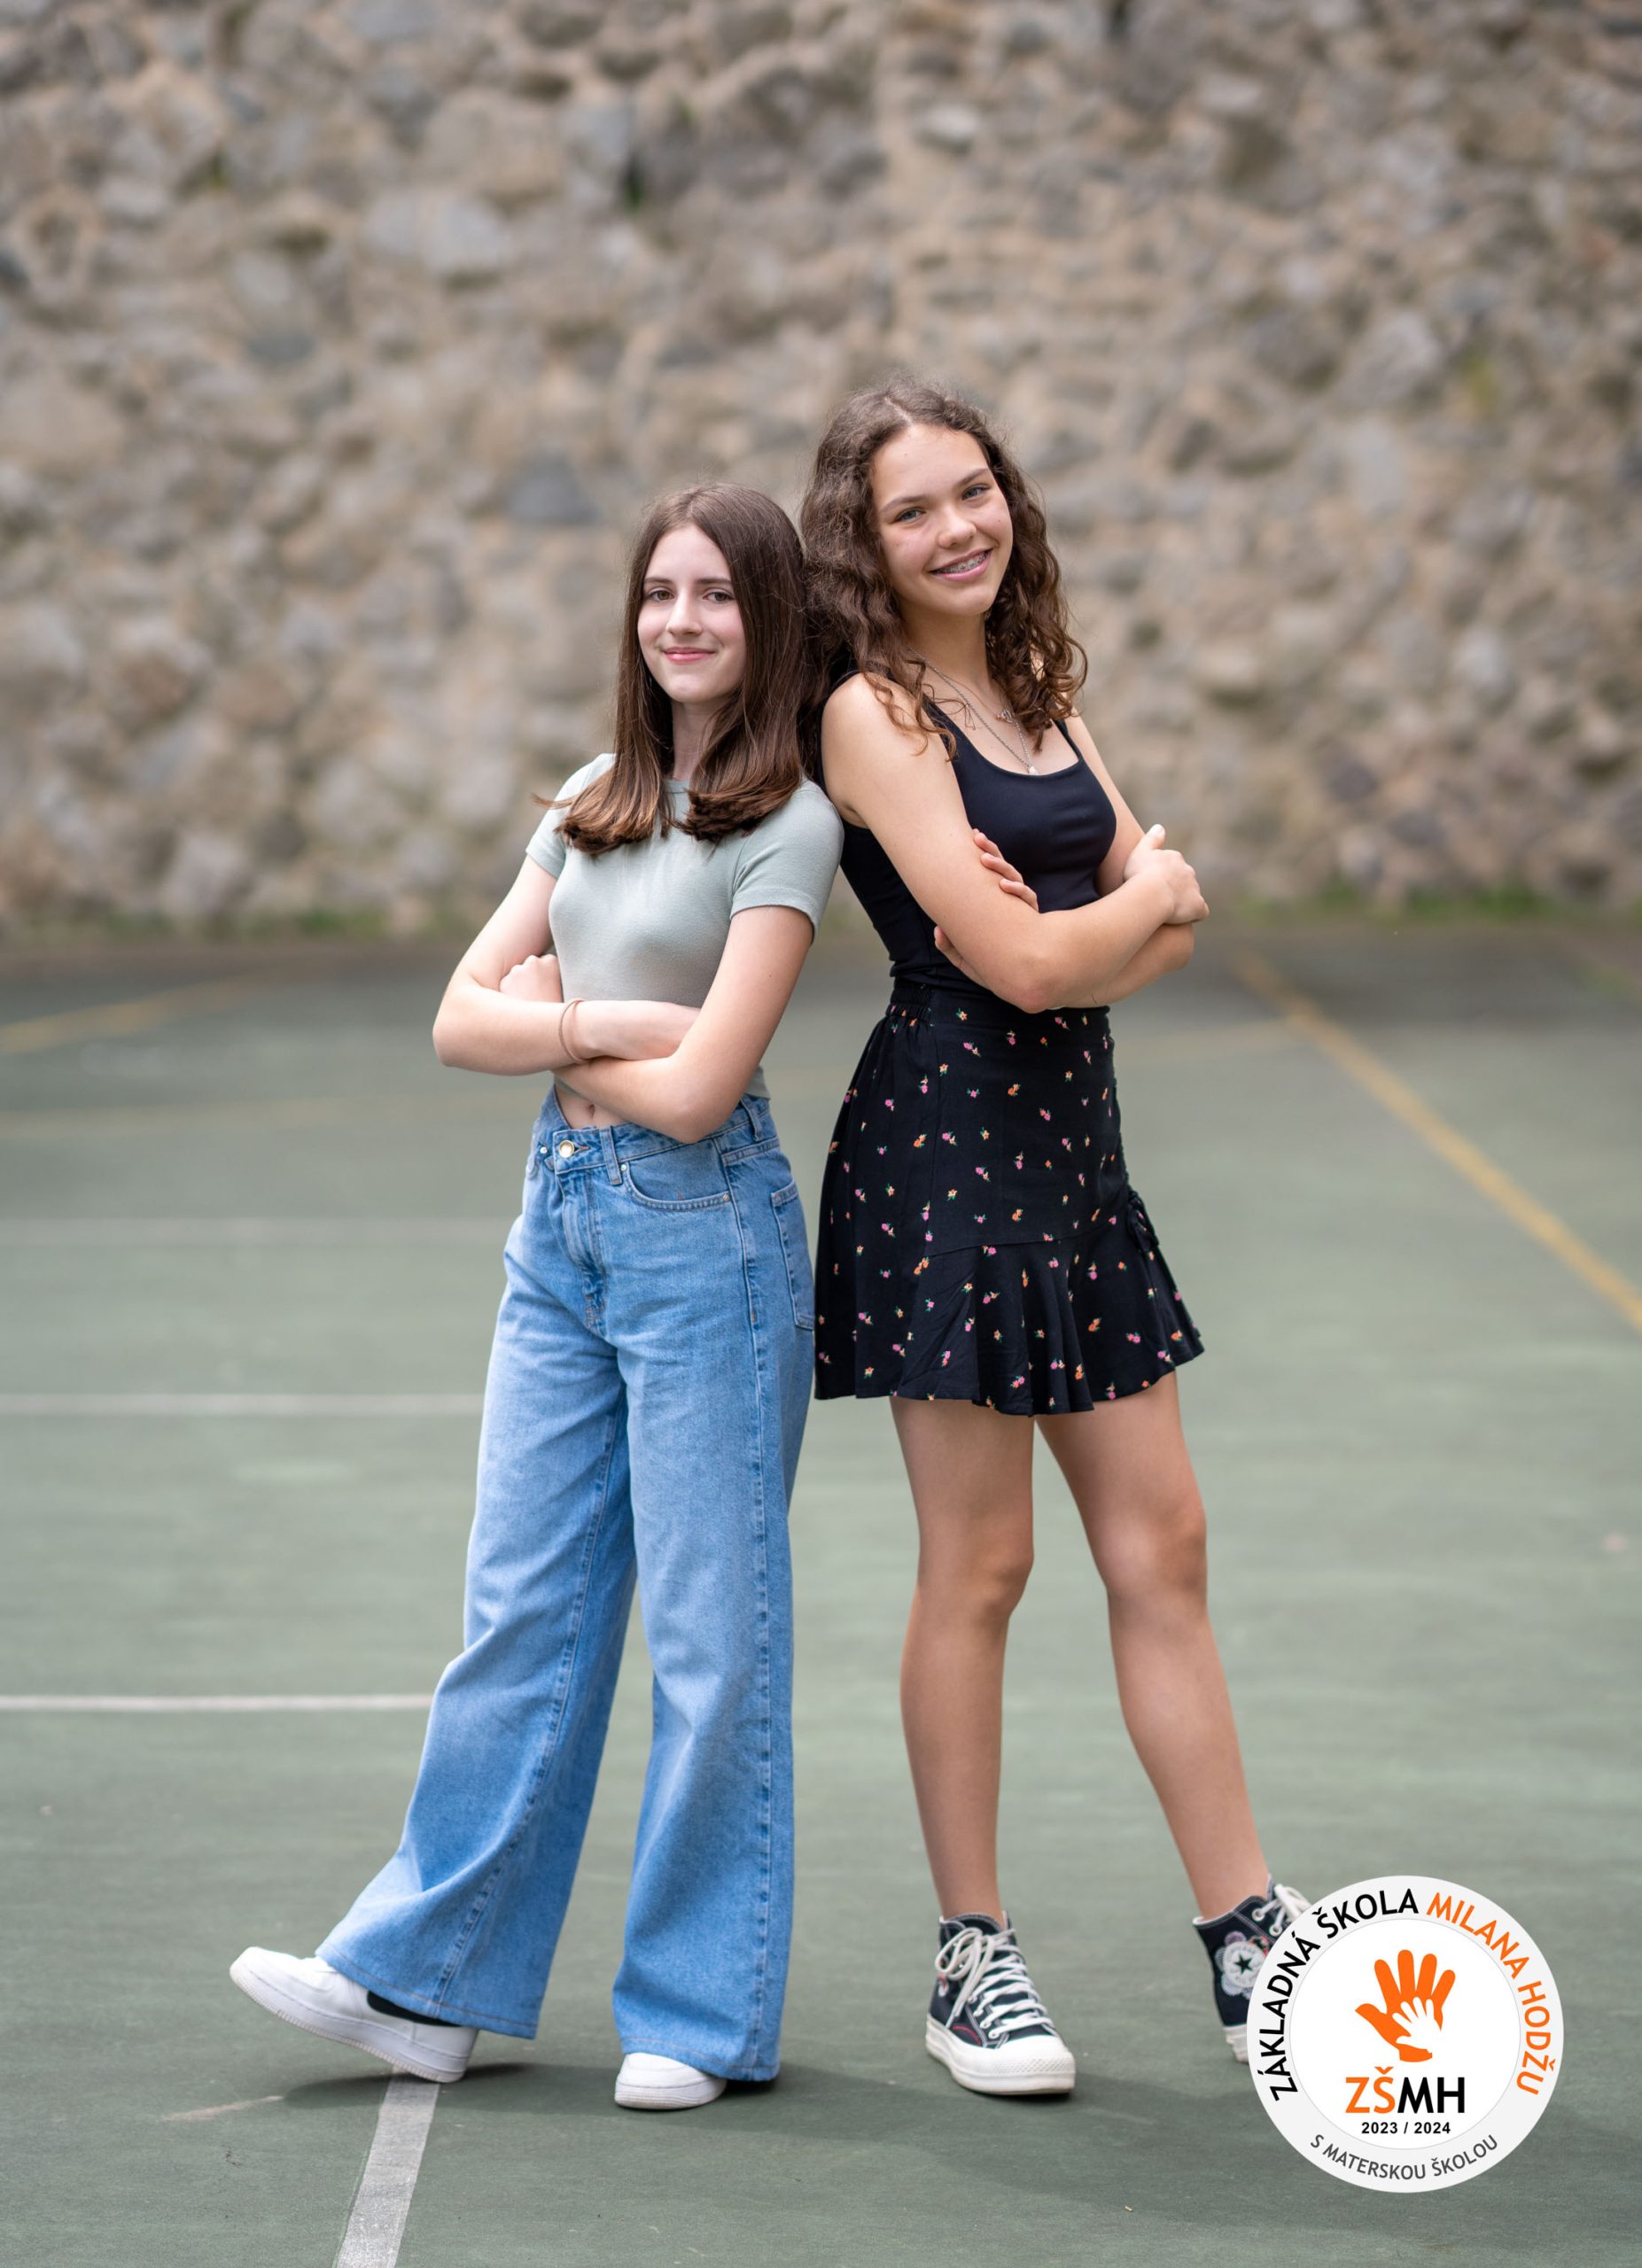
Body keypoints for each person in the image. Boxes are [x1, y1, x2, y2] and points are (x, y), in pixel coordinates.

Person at [230, 484, 845, 2110]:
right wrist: (608, 1027)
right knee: (521, 1609)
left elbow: (707, 1093)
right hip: (557, 1228)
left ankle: (698, 2016)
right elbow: (458, 1019)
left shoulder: (789, 826)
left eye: (716, 594)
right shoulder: (590, 798)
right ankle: (424, 1983)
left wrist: (562, 1025)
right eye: (659, 592)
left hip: (706, 1242)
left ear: (769, 619)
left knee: (711, 1643)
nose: (681, 621)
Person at [800, 379, 1309, 2098]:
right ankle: (973, 1957)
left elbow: (1151, 932)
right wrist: (1131, 901)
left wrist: (1115, 917)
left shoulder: (1035, 687)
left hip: (1075, 1156)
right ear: (866, 546)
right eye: (913, 509)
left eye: (974, 490)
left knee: (1165, 1546)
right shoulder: (873, 713)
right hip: (944, 1156)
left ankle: (1248, 1930)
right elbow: (1031, 958)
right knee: (985, 1565)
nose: (958, 526)